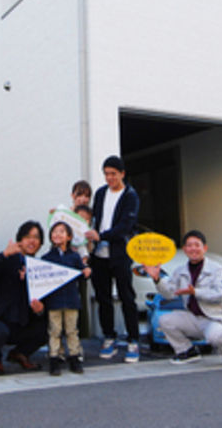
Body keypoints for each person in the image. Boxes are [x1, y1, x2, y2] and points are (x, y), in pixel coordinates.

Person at [144, 230, 222, 366]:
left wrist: (196, 292)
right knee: (164, 320)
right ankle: (187, 351)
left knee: (216, 337)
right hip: (193, 317)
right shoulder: (180, 270)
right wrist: (157, 279)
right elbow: (169, 293)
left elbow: (220, 294)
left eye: (196, 245)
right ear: (185, 249)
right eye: (189, 245)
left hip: (213, 318)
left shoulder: (216, 269)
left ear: (204, 248)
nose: (193, 248)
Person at [85, 155, 141, 363]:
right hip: (99, 255)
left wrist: (102, 236)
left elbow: (124, 227)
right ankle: (109, 337)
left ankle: (133, 340)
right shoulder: (100, 194)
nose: (109, 178)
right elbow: (93, 221)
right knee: (103, 298)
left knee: (127, 297)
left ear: (122, 174)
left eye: (113, 174)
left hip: (121, 254)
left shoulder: (131, 196)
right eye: (106, 174)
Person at [0, 221, 48, 375]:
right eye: (27, 236)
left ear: (41, 243)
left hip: (24, 321)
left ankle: (20, 354)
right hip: (2, 319)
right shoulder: (8, 259)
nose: (32, 241)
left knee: (50, 327)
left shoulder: (39, 267)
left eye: (36, 237)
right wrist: (4, 255)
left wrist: (41, 310)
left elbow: (44, 298)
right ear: (19, 240)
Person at [41, 221, 91, 375]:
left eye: (62, 232)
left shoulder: (74, 257)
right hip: (53, 301)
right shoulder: (46, 258)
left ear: (69, 237)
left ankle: (74, 359)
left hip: (71, 299)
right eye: (54, 231)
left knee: (72, 330)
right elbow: (41, 278)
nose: (57, 234)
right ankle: (54, 360)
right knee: (54, 331)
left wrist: (87, 272)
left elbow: (81, 275)